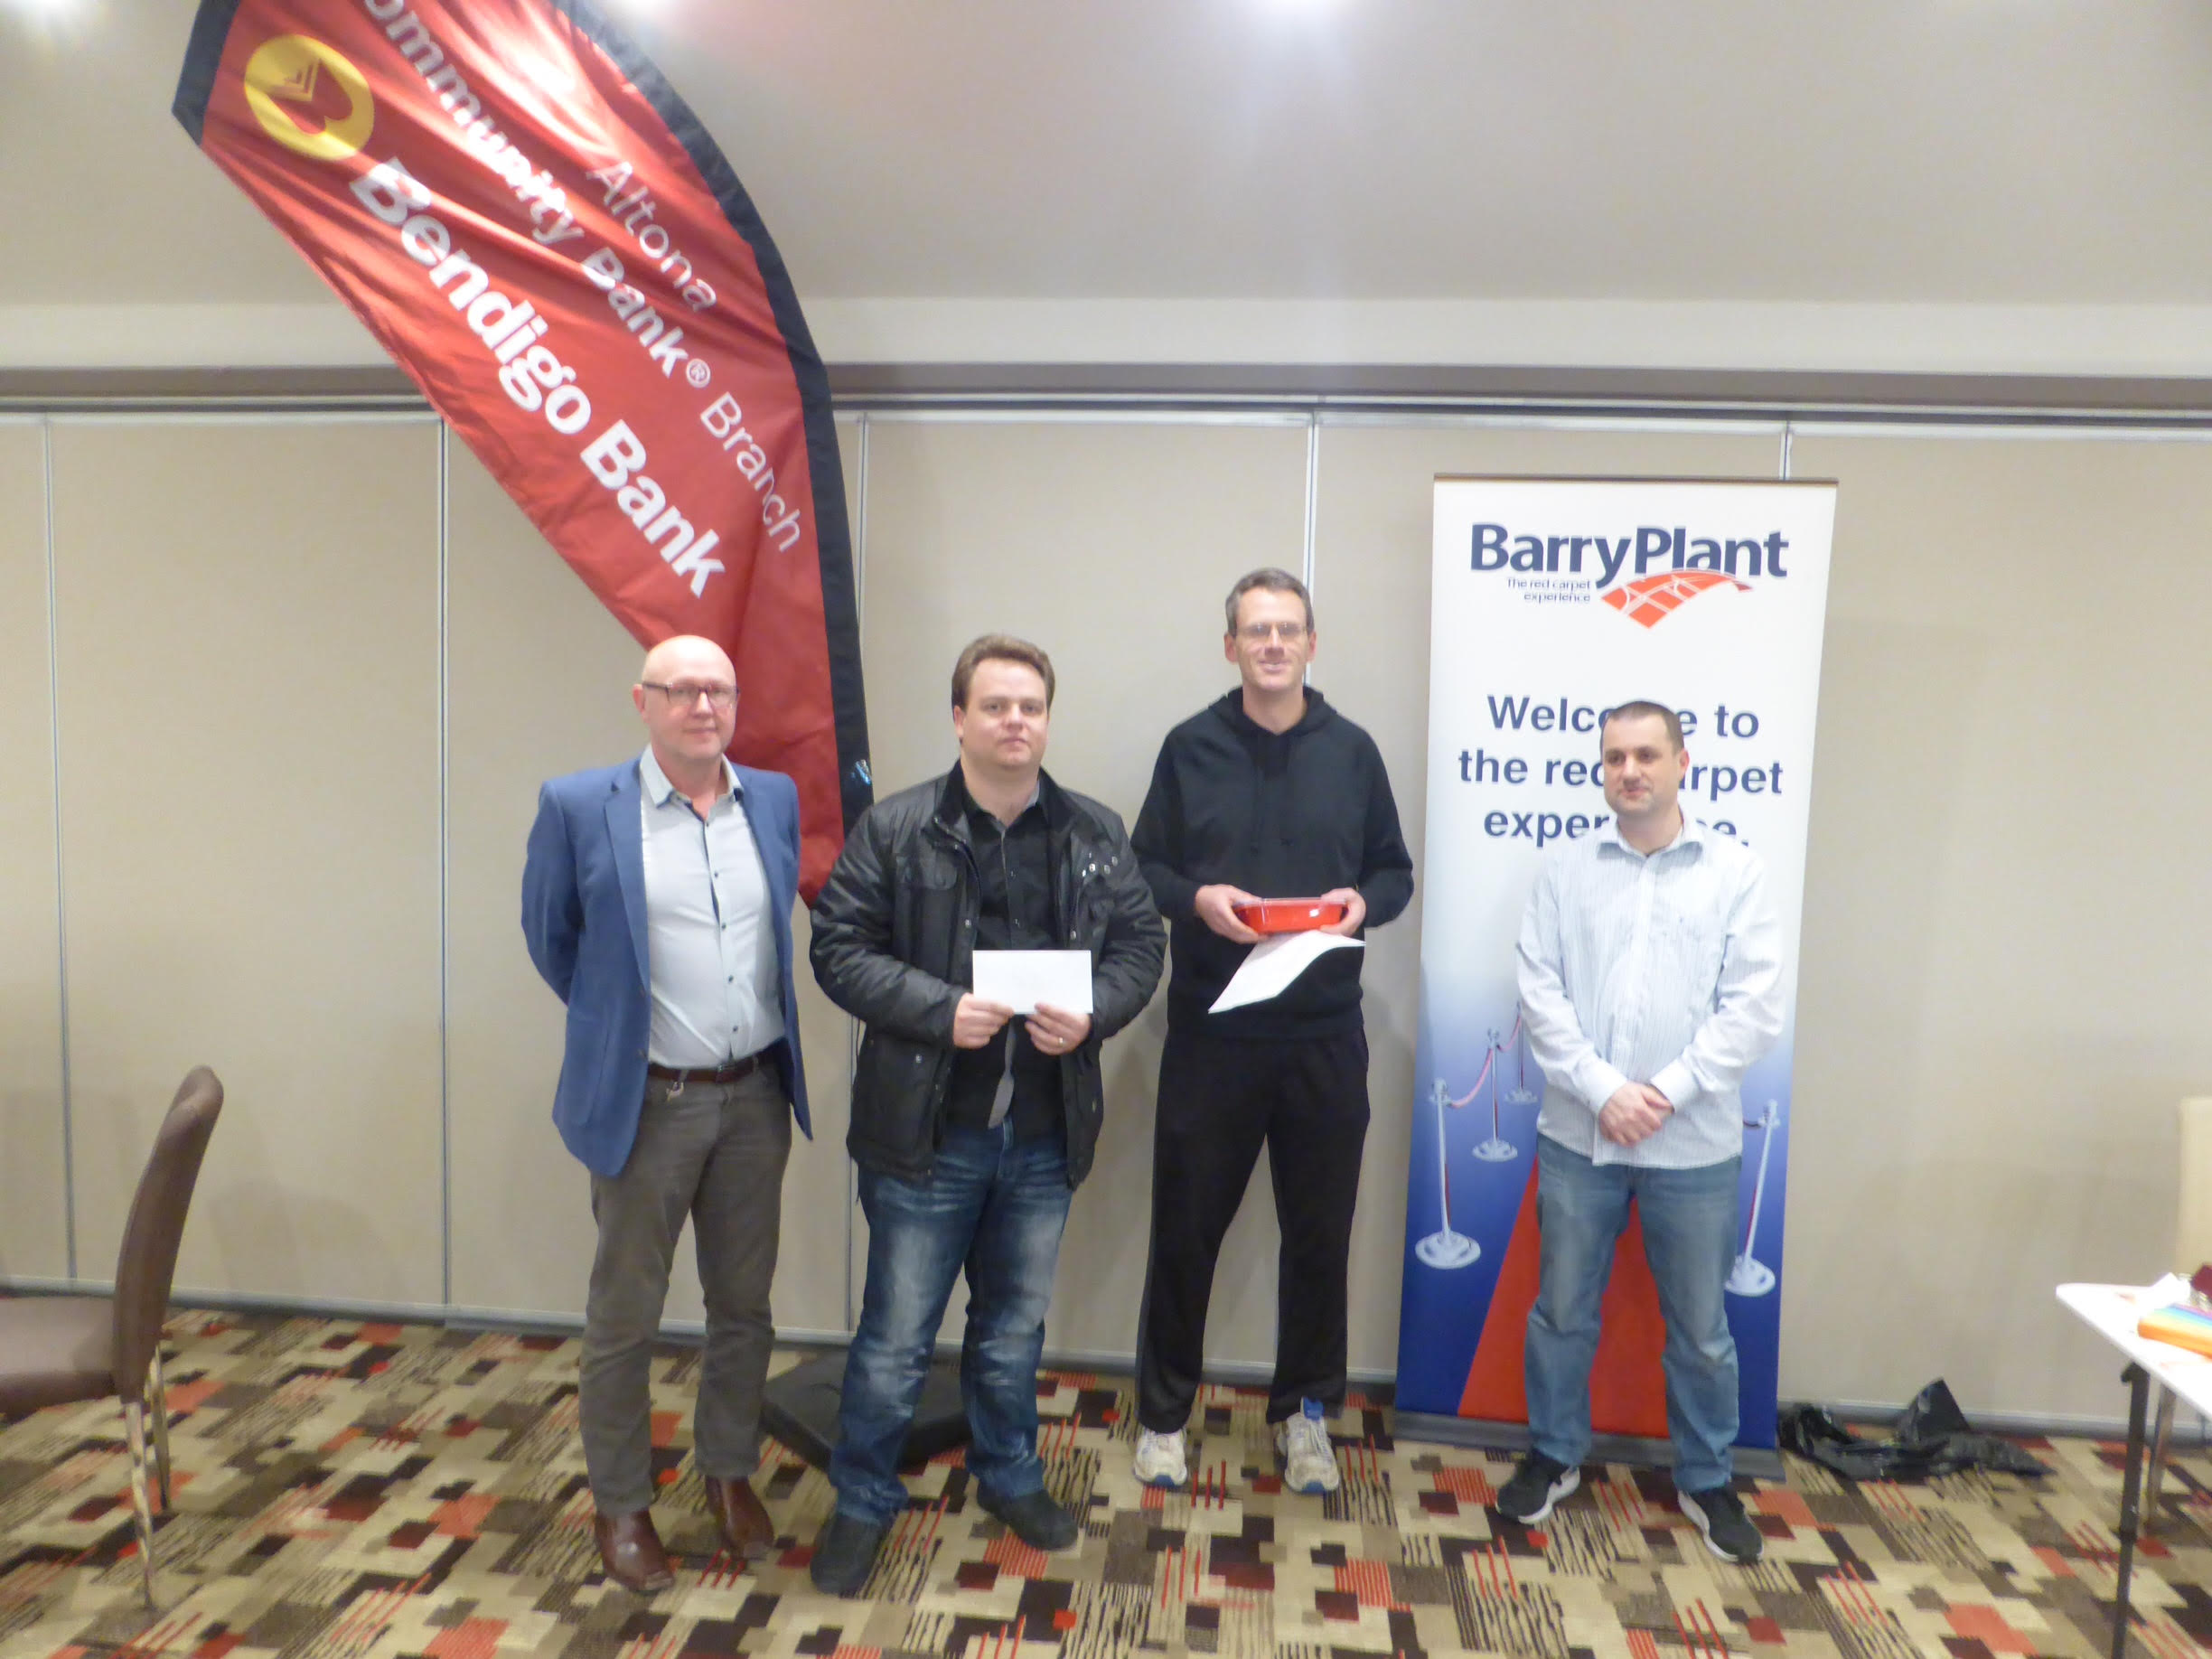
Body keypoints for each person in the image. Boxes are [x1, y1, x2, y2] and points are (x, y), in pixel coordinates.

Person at [806, 633, 1165, 1596]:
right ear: (959, 717)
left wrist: (1095, 1014)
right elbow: (837, 946)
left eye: (1030, 707)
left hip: (1044, 1135)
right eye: (996, 706)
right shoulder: (896, 828)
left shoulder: (1094, 832)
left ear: (1047, 720)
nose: (1015, 722)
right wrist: (939, 1009)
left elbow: (1141, 945)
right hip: (927, 1136)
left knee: (1012, 1332)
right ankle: (862, 1500)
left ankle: (1007, 1474)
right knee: (895, 1341)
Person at [521, 635, 811, 1594]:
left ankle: (727, 1472)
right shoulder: (578, 806)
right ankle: (621, 1502)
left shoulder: (772, 798)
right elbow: (552, 938)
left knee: (745, 1306)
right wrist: (619, 1028)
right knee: (626, 1316)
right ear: (642, 701)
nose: (702, 706)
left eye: (718, 690)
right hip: (648, 1102)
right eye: (681, 690)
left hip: (754, 1097)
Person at [1127, 568, 1413, 1495]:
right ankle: (1164, 1417)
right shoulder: (1190, 747)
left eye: (1289, 629)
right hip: (1213, 1037)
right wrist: (1196, 899)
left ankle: (1305, 1416)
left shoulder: (1354, 753)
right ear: (1232, 647)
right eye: (1257, 630)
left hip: (1323, 1039)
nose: (1274, 644)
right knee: (1185, 1232)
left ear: (1312, 644)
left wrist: (1361, 903)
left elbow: (1394, 873)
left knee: (1319, 1238)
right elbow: (1145, 868)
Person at [1497, 699, 1785, 1564]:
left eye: (1647, 755)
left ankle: (1706, 1477)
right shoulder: (1566, 870)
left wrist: (1659, 1093)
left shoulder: (1737, 874)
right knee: (1560, 1313)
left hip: (1692, 1146)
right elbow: (1539, 991)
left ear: (1682, 763)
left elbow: (1752, 1008)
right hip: (1578, 1137)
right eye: (1616, 757)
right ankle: (1554, 1454)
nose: (1630, 771)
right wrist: (1603, 1092)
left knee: (1701, 1330)